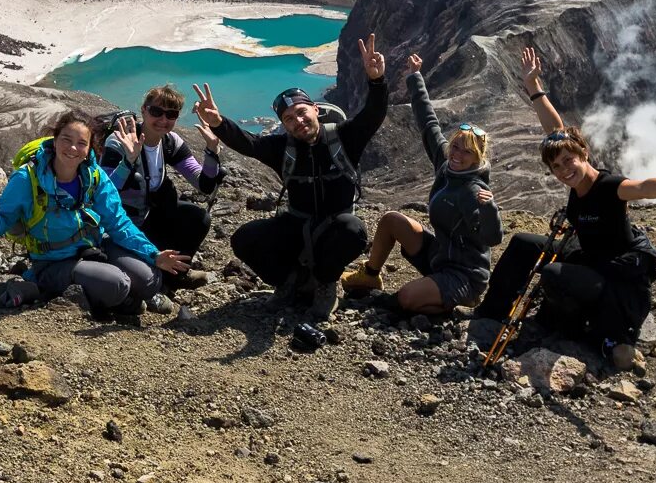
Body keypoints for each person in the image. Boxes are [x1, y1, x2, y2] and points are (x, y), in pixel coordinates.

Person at [474, 47, 656, 370]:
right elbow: (555, 129)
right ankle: (490, 314)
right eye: (557, 167)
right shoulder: (575, 182)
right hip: (587, 260)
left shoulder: (608, 187)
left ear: (584, 154)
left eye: (568, 161)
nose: (563, 170)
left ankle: (582, 330)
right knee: (521, 244)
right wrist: (534, 87)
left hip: (614, 278)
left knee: (551, 273)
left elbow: (644, 188)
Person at [193, 33, 388, 323]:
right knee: (245, 239)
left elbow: (372, 114)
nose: (297, 121)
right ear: (284, 125)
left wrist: (376, 81)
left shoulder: (344, 137)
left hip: (335, 226)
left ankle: (325, 283)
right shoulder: (282, 148)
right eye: (289, 119)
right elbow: (248, 142)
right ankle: (291, 282)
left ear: (315, 110)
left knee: (354, 230)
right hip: (296, 225)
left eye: (301, 113)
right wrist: (219, 123)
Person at [0, 111, 190, 318]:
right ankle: (42, 286)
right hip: (52, 261)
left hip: (93, 249)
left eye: (81, 143)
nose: (73, 149)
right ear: (55, 139)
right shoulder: (27, 178)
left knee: (151, 280)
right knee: (117, 285)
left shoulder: (93, 175)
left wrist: (154, 254)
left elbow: (118, 223)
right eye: (66, 140)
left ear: (90, 148)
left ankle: (118, 297)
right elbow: (2, 223)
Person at [341, 53, 502, 313]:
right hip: (440, 255)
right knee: (392, 220)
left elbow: (492, 238)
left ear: (476, 159)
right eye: (456, 147)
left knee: (405, 299)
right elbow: (428, 123)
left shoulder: (474, 191)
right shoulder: (445, 163)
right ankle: (370, 275)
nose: (457, 155)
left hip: (464, 274)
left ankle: (458, 304)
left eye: (466, 152)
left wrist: (489, 210)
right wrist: (415, 77)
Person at [98, 85, 221, 291]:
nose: (163, 120)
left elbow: (204, 184)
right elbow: (105, 190)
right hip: (122, 224)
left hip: (150, 217)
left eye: (171, 114)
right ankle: (151, 273)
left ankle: (175, 276)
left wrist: (212, 151)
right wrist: (128, 161)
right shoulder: (120, 141)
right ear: (144, 110)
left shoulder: (170, 142)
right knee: (143, 277)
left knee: (198, 218)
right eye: (156, 112)